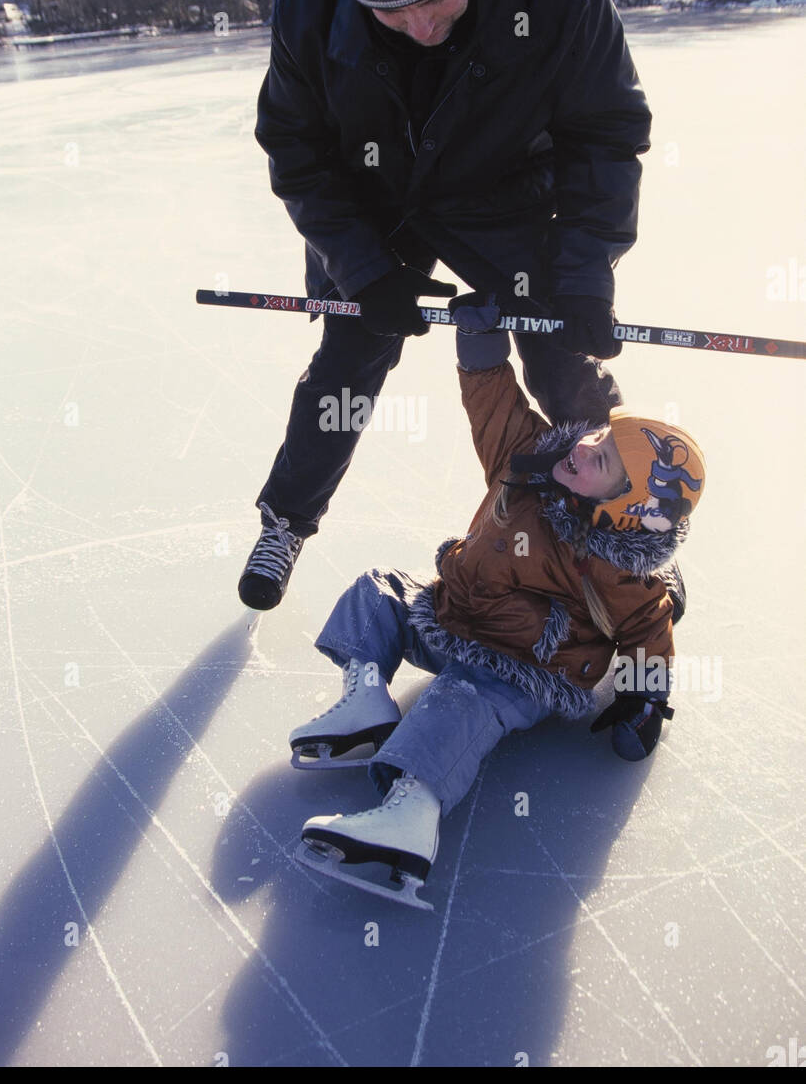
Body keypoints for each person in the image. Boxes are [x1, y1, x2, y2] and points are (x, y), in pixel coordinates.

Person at [240, 0, 652, 611]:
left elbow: (606, 137)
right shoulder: (309, 3)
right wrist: (362, 269)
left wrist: (586, 276)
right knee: (347, 364)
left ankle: (629, 528)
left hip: (505, 199)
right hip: (374, 207)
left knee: (564, 358)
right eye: (390, 10)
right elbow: (295, 153)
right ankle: (286, 521)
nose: (420, 23)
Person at [291, 298, 706, 910]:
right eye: (601, 436)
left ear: (626, 512)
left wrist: (645, 700)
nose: (587, 446)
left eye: (607, 464)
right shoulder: (529, 458)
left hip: (528, 665)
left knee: (456, 700)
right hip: (455, 612)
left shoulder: (616, 562)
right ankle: (366, 707)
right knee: (376, 592)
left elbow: (649, 623)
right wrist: (481, 344)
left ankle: (409, 819)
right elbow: (494, 405)